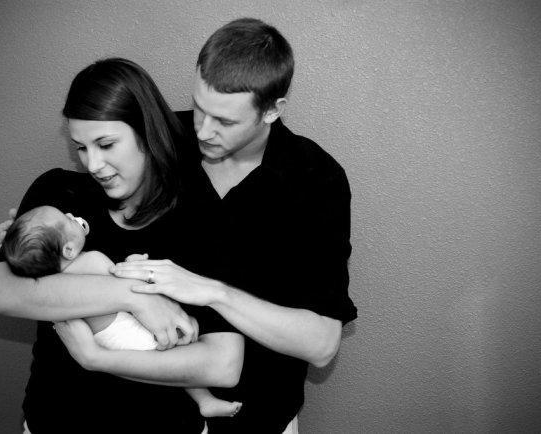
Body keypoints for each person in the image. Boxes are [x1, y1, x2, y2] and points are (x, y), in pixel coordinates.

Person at [97, 18, 357, 433]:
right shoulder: (162, 141)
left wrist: (213, 292)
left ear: (272, 110)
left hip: (260, 419)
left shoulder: (315, 180)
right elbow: (89, 216)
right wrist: (40, 230)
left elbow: (322, 344)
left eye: (225, 121)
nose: (203, 130)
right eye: (199, 107)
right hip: (147, 413)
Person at [0, 58, 244, 433]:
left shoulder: (199, 218)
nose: (93, 163)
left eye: (106, 144)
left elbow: (223, 365)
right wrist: (134, 297)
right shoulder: (56, 196)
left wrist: (95, 358)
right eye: (81, 147)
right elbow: (2, 294)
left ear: (146, 131)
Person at [2, 204, 242, 418]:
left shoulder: (51, 282)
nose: (71, 215)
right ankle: (205, 400)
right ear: (68, 250)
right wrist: (134, 263)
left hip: (104, 339)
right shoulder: (92, 260)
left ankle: (204, 401)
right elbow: (122, 280)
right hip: (125, 332)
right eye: (67, 219)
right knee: (183, 340)